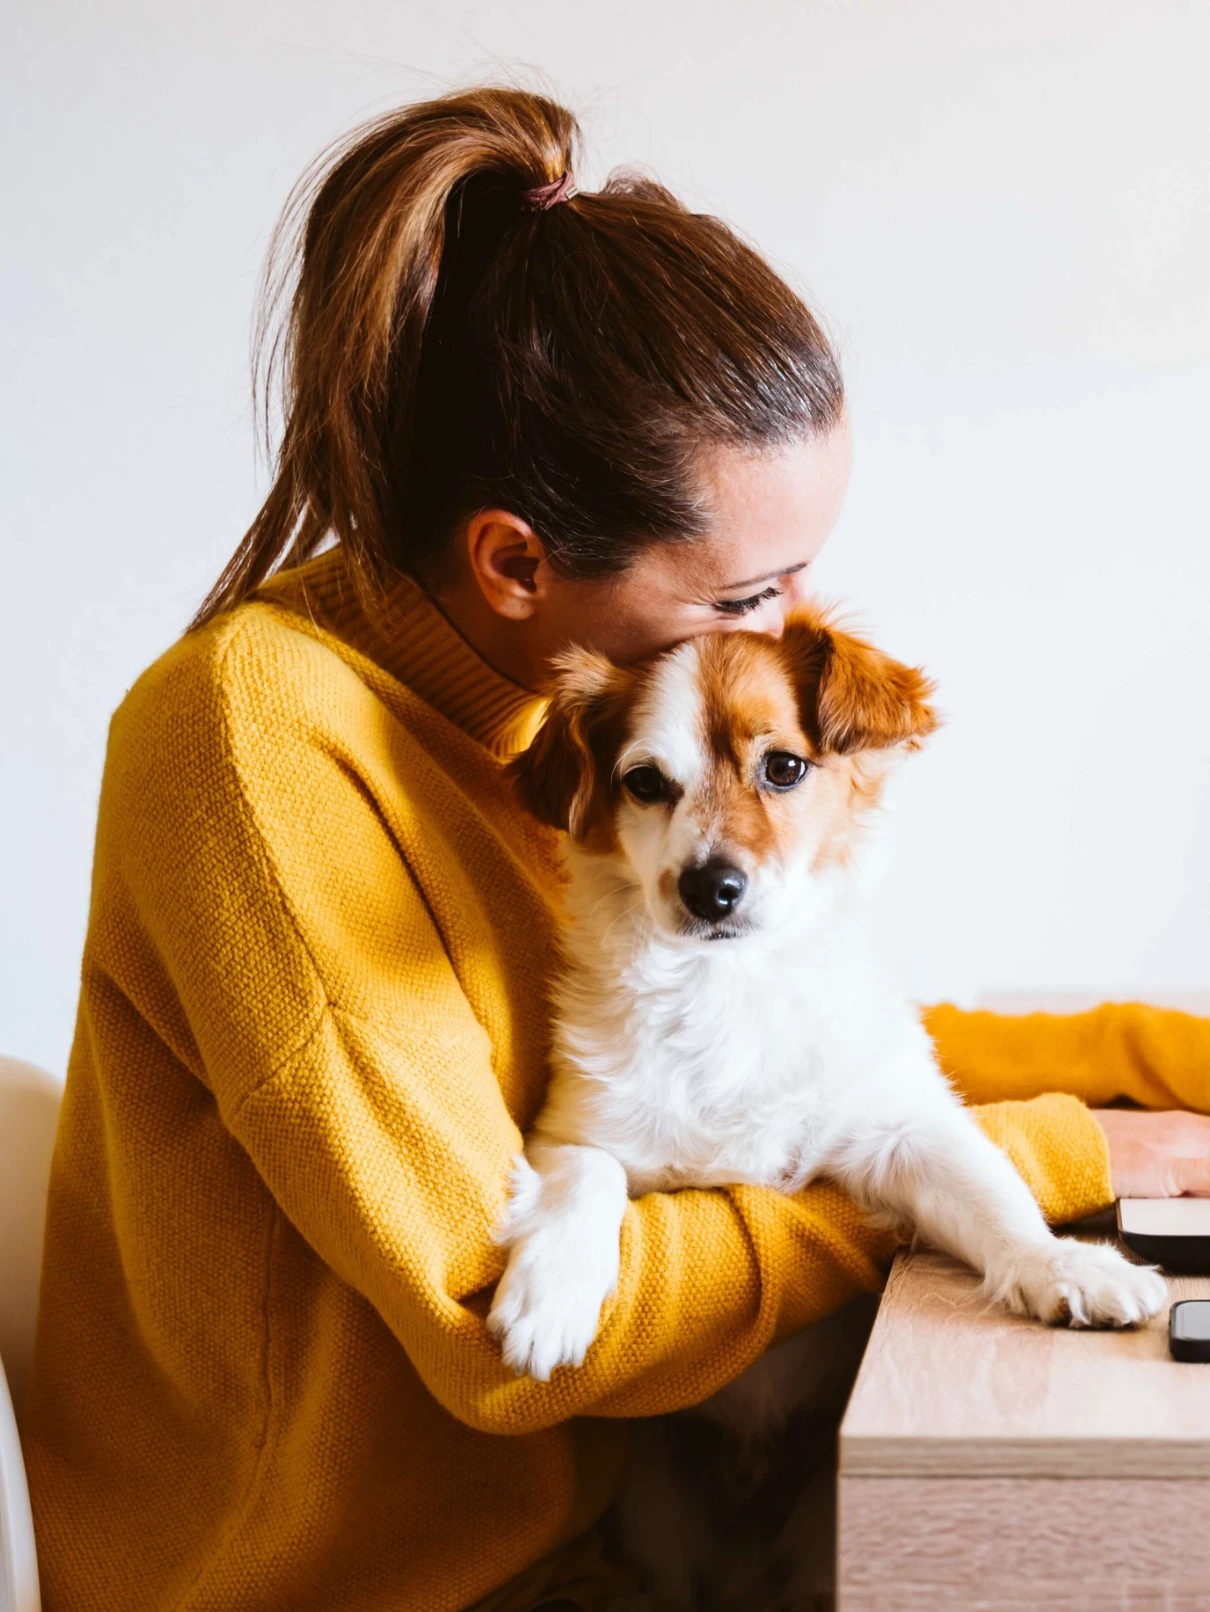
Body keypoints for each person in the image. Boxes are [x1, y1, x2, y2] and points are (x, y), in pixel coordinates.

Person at [22, 86, 1210, 1612]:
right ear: (515, 562)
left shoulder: (544, 719)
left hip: (600, 1540)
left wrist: (1155, 1066)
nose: (785, 634)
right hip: (370, 1584)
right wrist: (1036, 1161)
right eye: (746, 593)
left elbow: (767, 1049)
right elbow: (495, 1334)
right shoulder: (258, 747)